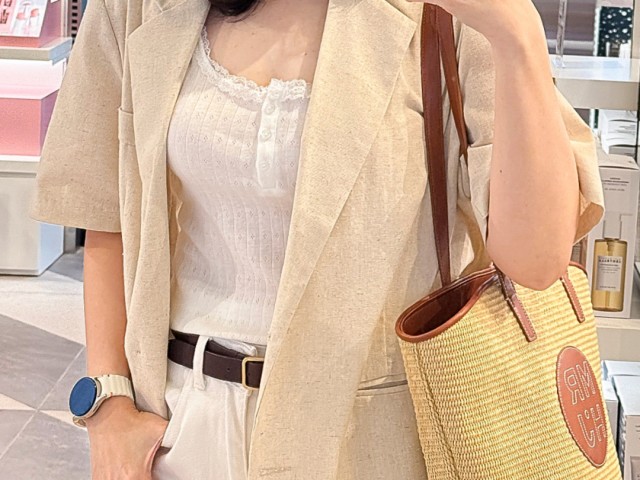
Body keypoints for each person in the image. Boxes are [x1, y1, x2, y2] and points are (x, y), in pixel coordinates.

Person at [30, 0, 605, 478]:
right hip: (183, 427)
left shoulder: (441, 17)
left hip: (373, 432)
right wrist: (109, 405)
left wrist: (517, 34)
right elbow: (107, 213)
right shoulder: (138, 8)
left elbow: (536, 259)